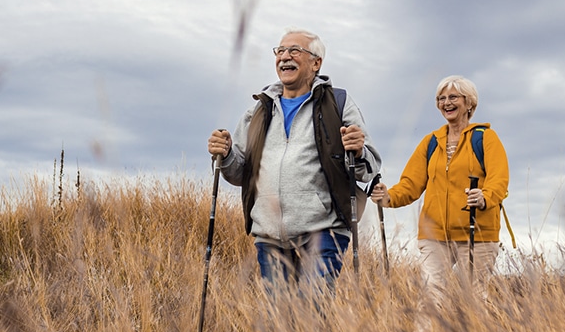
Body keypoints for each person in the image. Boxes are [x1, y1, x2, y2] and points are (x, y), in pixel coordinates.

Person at [207, 28, 381, 296]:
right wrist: (226, 153)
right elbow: (239, 172)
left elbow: (369, 168)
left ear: (316, 63)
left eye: (294, 51)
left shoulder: (338, 103)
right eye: (280, 51)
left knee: (312, 313)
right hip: (269, 235)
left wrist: (357, 151)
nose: (285, 57)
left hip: (323, 230)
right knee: (279, 322)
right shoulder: (259, 109)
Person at [371, 75, 508, 295]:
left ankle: (472, 331)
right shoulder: (431, 142)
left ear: (469, 102)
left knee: (474, 299)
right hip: (434, 234)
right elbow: (411, 184)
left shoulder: (486, 138)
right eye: (440, 98)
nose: (446, 103)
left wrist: (485, 197)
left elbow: (499, 179)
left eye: (453, 97)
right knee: (431, 297)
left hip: (477, 232)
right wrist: (388, 197)